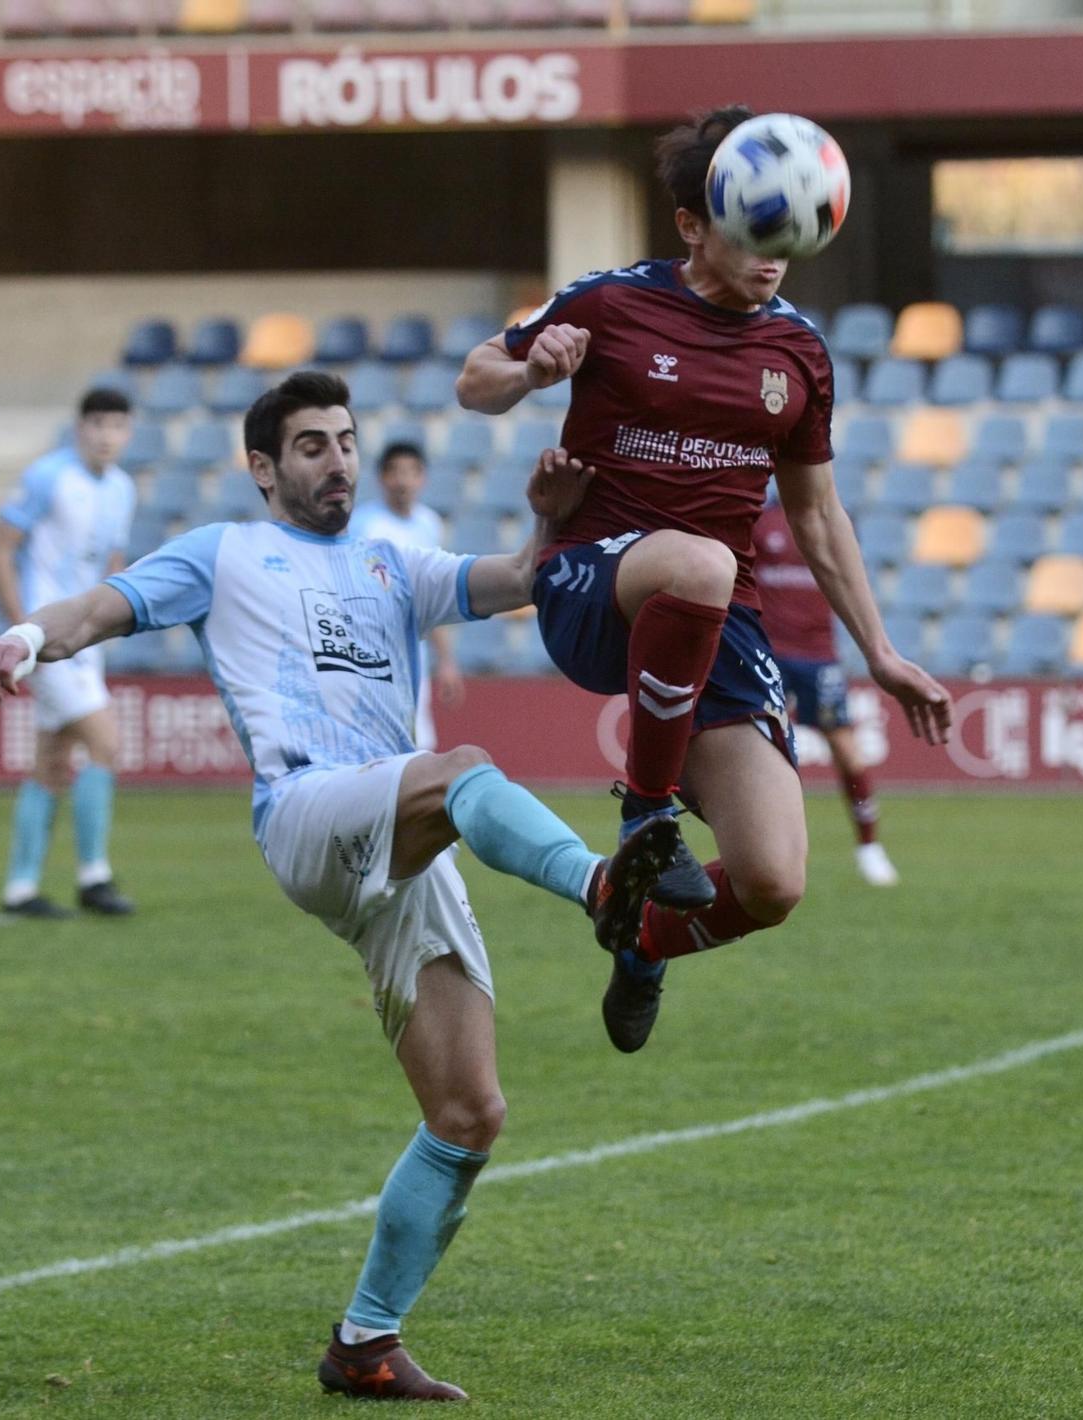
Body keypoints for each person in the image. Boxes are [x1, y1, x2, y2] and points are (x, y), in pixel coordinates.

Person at [0, 372, 673, 1402]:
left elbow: (523, 577)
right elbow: (97, 609)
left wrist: (548, 519)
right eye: (309, 445)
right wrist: (26, 638)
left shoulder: (394, 559)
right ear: (261, 468)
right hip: (306, 812)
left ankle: (363, 1343)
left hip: (398, 839)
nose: (336, 459)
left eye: (344, 440)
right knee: (463, 765)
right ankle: (603, 888)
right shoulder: (223, 553)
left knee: (469, 1111)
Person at [457, 104, 950, 1053]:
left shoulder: (798, 352)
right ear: (692, 223)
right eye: (754, 231)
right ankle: (645, 819)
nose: (773, 257)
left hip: (717, 615)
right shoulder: (609, 302)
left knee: (773, 882)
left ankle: (641, 939)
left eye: (788, 240)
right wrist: (531, 373)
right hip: (590, 577)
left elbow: (814, 512)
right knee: (701, 557)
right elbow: (477, 376)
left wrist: (881, 652)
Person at [0, 387, 139, 919]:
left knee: (51, 763)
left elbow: (114, 565)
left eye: (116, 425)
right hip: (45, 639)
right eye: (97, 423)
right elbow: (0, 547)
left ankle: (20, 889)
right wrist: (19, 628)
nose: (105, 434)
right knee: (107, 745)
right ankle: (94, 876)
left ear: (129, 433)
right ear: (80, 428)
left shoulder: (121, 488)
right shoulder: (48, 476)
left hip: (83, 642)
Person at [751, 492, 898, 887]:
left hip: (819, 656)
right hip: (769, 652)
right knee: (751, 752)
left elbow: (849, 579)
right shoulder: (759, 521)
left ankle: (869, 847)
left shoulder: (831, 519)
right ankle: (759, 852)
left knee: (847, 751)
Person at [353, 441, 463, 751]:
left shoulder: (429, 524)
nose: (402, 481)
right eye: (395, 473)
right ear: (382, 478)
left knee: (418, 743)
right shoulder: (363, 525)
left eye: (410, 473)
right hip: (370, 645)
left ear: (422, 478)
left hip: (413, 645)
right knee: (374, 740)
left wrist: (446, 660)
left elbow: (434, 593)